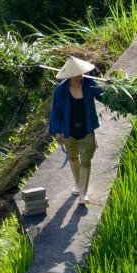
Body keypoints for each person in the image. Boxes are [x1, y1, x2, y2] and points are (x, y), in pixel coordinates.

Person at [49, 56, 105, 204]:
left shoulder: (89, 84)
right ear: (68, 77)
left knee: (86, 161)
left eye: (80, 75)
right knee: (73, 158)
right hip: (69, 131)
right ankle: (78, 184)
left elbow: (103, 95)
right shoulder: (61, 90)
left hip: (86, 129)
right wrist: (58, 131)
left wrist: (112, 89)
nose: (78, 79)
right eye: (75, 77)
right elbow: (56, 112)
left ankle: (83, 194)